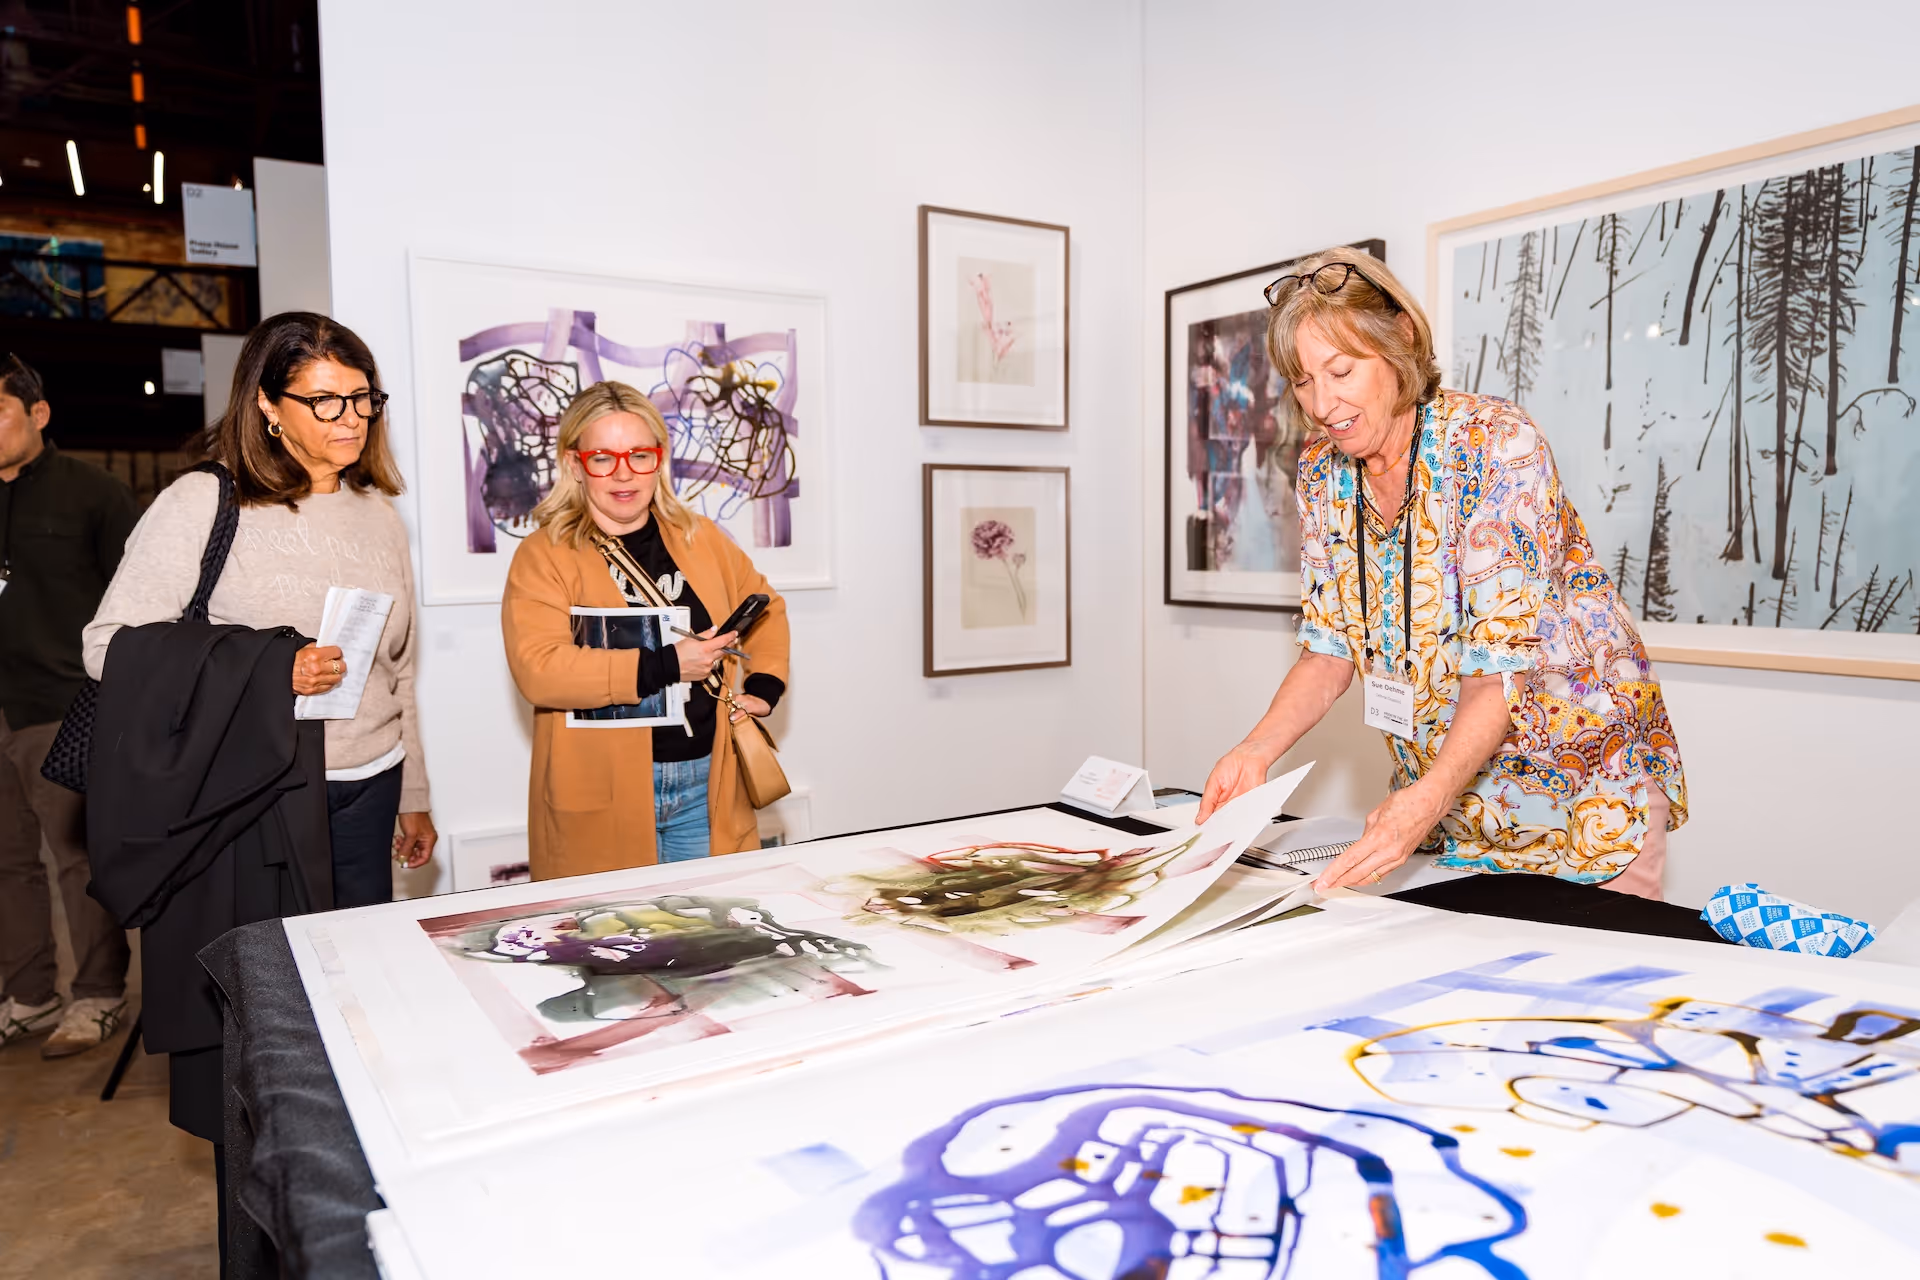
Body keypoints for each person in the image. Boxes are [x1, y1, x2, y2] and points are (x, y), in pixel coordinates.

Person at [1197, 247, 1686, 898]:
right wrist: (1254, 750)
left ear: (1400, 338)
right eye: (1303, 381)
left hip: (1581, 790)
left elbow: (1497, 678)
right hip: (1455, 803)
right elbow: (1328, 650)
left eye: (1340, 371)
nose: (1321, 402)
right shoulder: (1323, 470)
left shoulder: (1494, 444)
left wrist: (1425, 800)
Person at [85, 312, 437, 910]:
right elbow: (107, 646)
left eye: (362, 397)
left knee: (359, 979)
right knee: (275, 985)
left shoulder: (379, 514)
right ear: (269, 406)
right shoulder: (204, 499)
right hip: (255, 789)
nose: (351, 417)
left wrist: (413, 794)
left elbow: (396, 668)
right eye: (325, 400)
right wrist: (272, 669)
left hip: (372, 783)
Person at [503, 380, 790, 879]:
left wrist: (764, 686)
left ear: (659, 458)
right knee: (617, 941)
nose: (624, 473)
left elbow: (765, 606)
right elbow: (539, 669)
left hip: (708, 784)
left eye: (639, 455)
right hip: (598, 789)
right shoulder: (543, 555)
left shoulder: (700, 538)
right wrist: (668, 664)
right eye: (603, 457)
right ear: (575, 464)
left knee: (714, 935)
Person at [0, 352, 139, 1057]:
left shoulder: (95, 494)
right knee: (7, 861)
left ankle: (98, 994)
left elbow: (138, 605)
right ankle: (26, 994)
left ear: (37, 413)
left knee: (77, 859)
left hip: (62, 705)